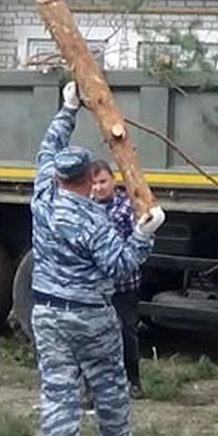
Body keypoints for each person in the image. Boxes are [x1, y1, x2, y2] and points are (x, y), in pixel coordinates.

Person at [31, 81, 165, 436]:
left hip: (46, 312)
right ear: (92, 178)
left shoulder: (42, 198)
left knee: (58, 389)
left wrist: (67, 110)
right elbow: (122, 267)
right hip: (90, 313)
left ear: (57, 176)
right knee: (107, 382)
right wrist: (144, 235)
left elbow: (46, 151)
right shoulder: (94, 221)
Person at [91, 159, 144, 398]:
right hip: (95, 287)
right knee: (94, 336)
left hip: (123, 284)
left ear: (113, 180)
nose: (99, 188)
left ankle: (133, 380)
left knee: (126, 331)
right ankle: (97, 386)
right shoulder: (86, 208)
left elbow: (137, 243)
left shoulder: (126, 208)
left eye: (103, 181)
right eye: (93, 183)